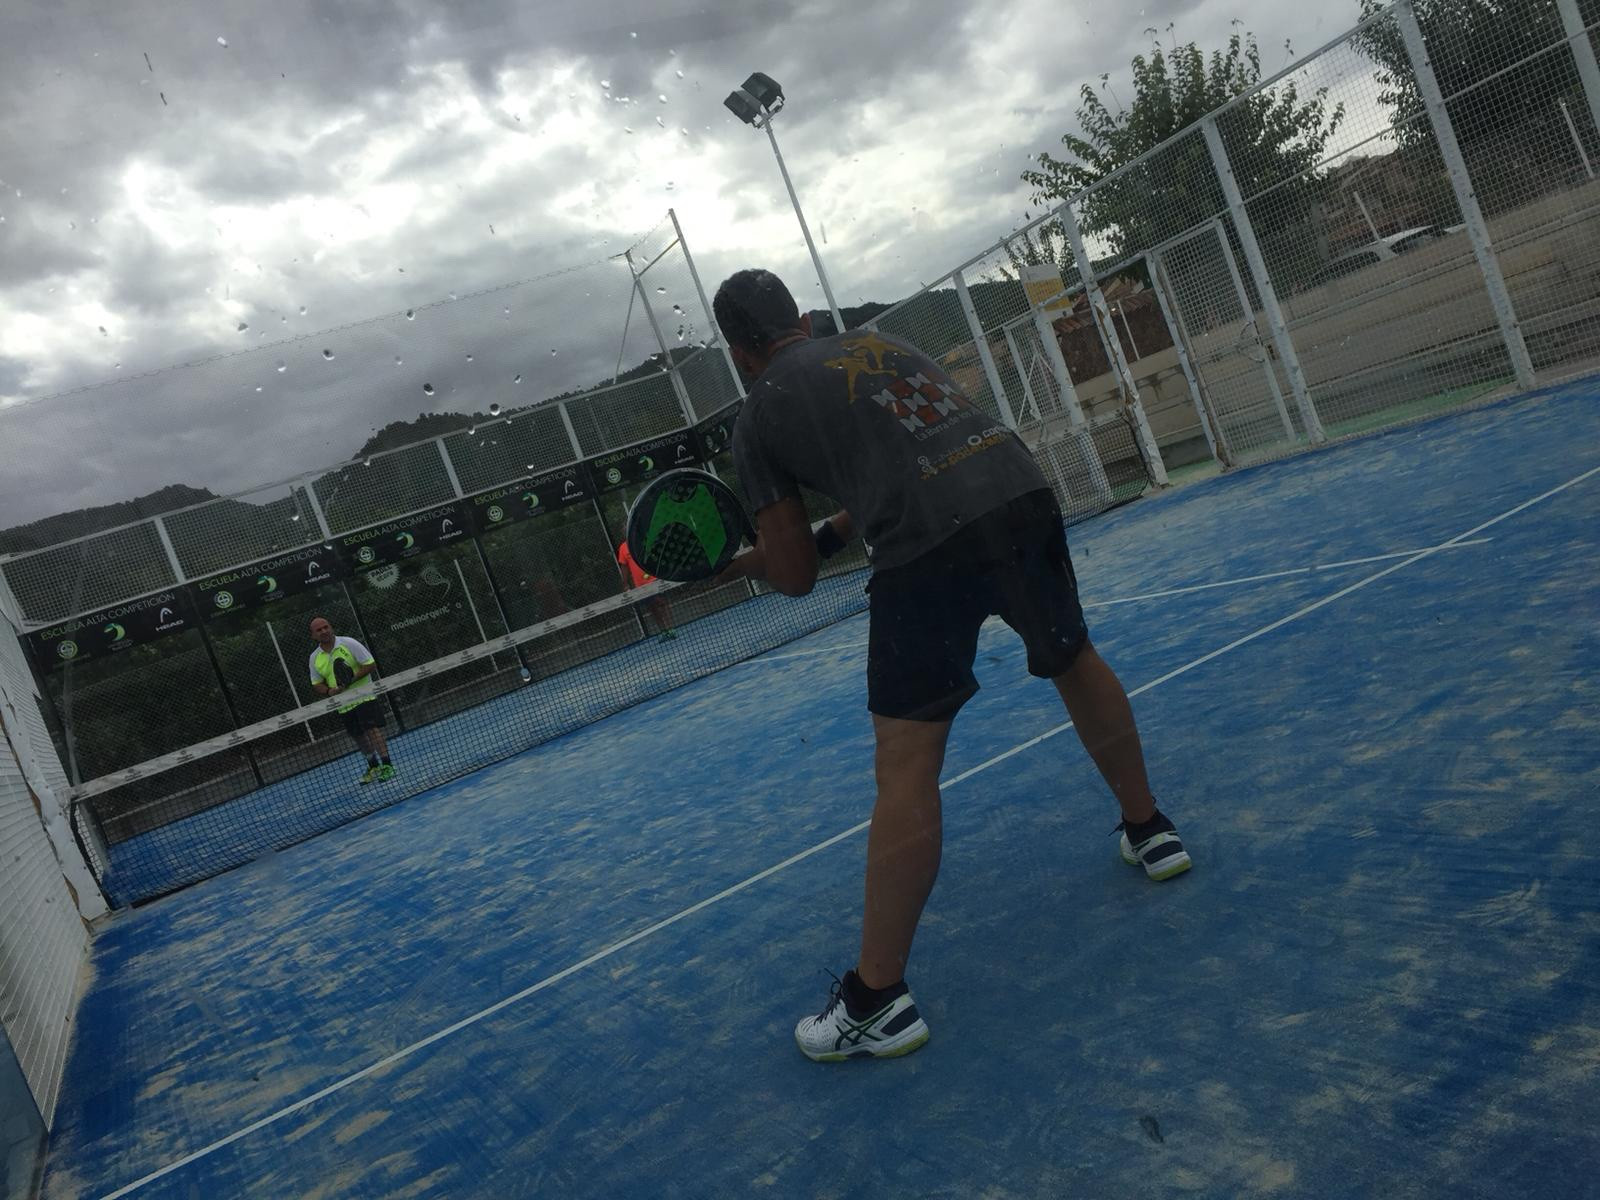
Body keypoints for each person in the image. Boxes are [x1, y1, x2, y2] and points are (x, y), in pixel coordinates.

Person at [712, 269, 1190, 1063]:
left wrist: (740, 567)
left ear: (739, 354)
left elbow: (792, 576)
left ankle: (875, 1001)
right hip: (1018, 490)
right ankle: (1152, 831)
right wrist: (823, 537)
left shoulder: (758, 413)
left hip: (927, 544)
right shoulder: (878, 343)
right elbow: (905, 464)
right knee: (1074, 659)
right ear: (804, 318)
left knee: (906, 761)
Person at [307, 616, 395, 784]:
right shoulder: (314, 658)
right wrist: (329, 691)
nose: (324, 631)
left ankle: (387, 765)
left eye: (326, 627)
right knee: (358, 736)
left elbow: (370, 664)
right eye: (319, 630)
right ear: (313, 635)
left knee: (372, 730)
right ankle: (373, 766)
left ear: (331, 627)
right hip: (343, 704)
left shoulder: (349, 643)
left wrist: (350, 680)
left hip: (364, 696)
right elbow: (316, 683)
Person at [616, 537, 676, 641]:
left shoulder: (643, 541)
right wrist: (625, 584)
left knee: (661, 603)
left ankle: (671, 629)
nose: (625, 530)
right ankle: (663, 631)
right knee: (652, 608)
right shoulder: (623, 548)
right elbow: (624, 567)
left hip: (654, 579)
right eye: (623, 529)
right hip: (640, 586)